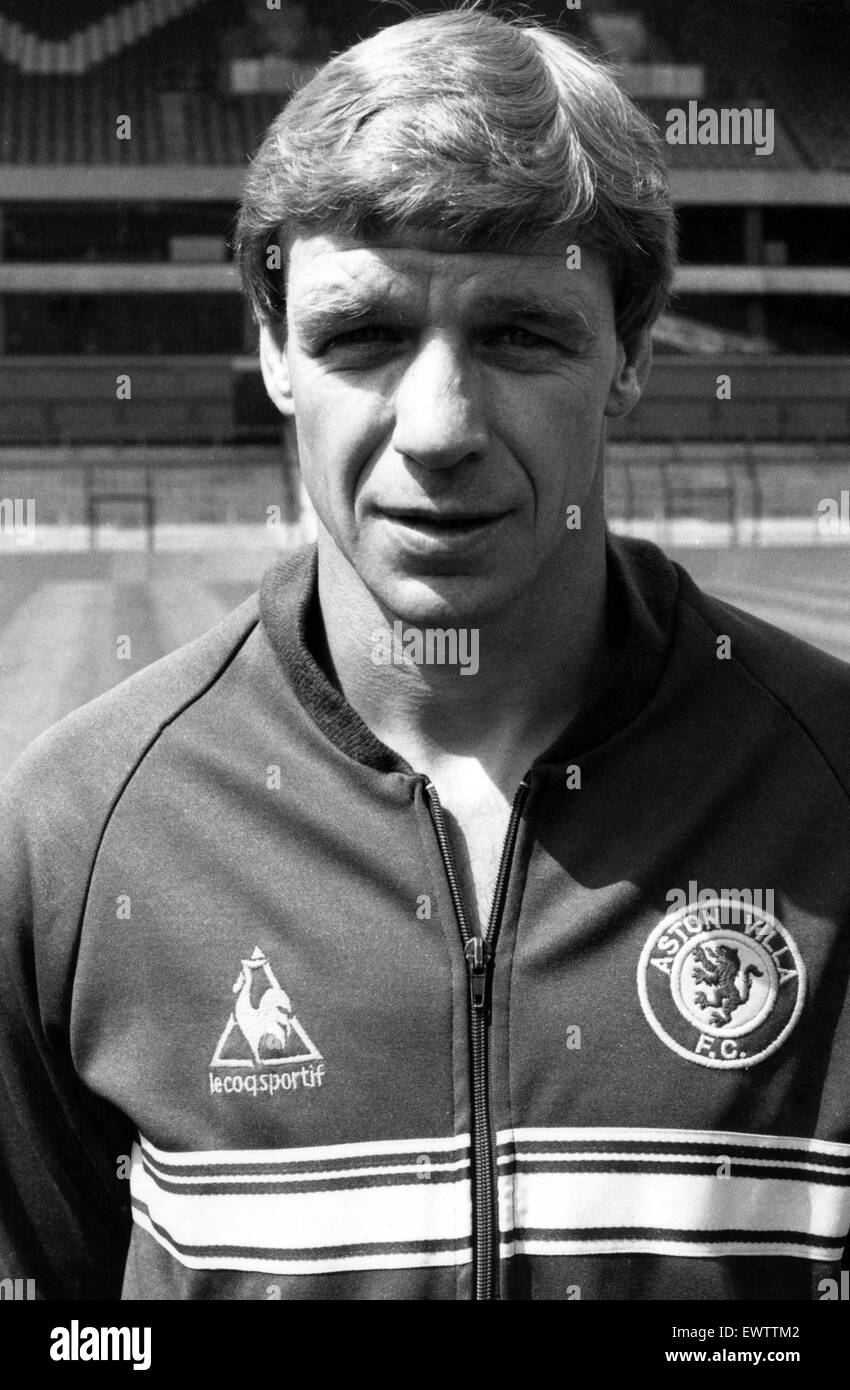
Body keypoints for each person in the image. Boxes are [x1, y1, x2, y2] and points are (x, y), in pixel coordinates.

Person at [2, 6, 849, 1303]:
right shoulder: (72, 841)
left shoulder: (832, 795)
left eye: (518, 333)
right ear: (275, 351)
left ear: (629, 349)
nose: (439, 425)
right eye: (363, 335)